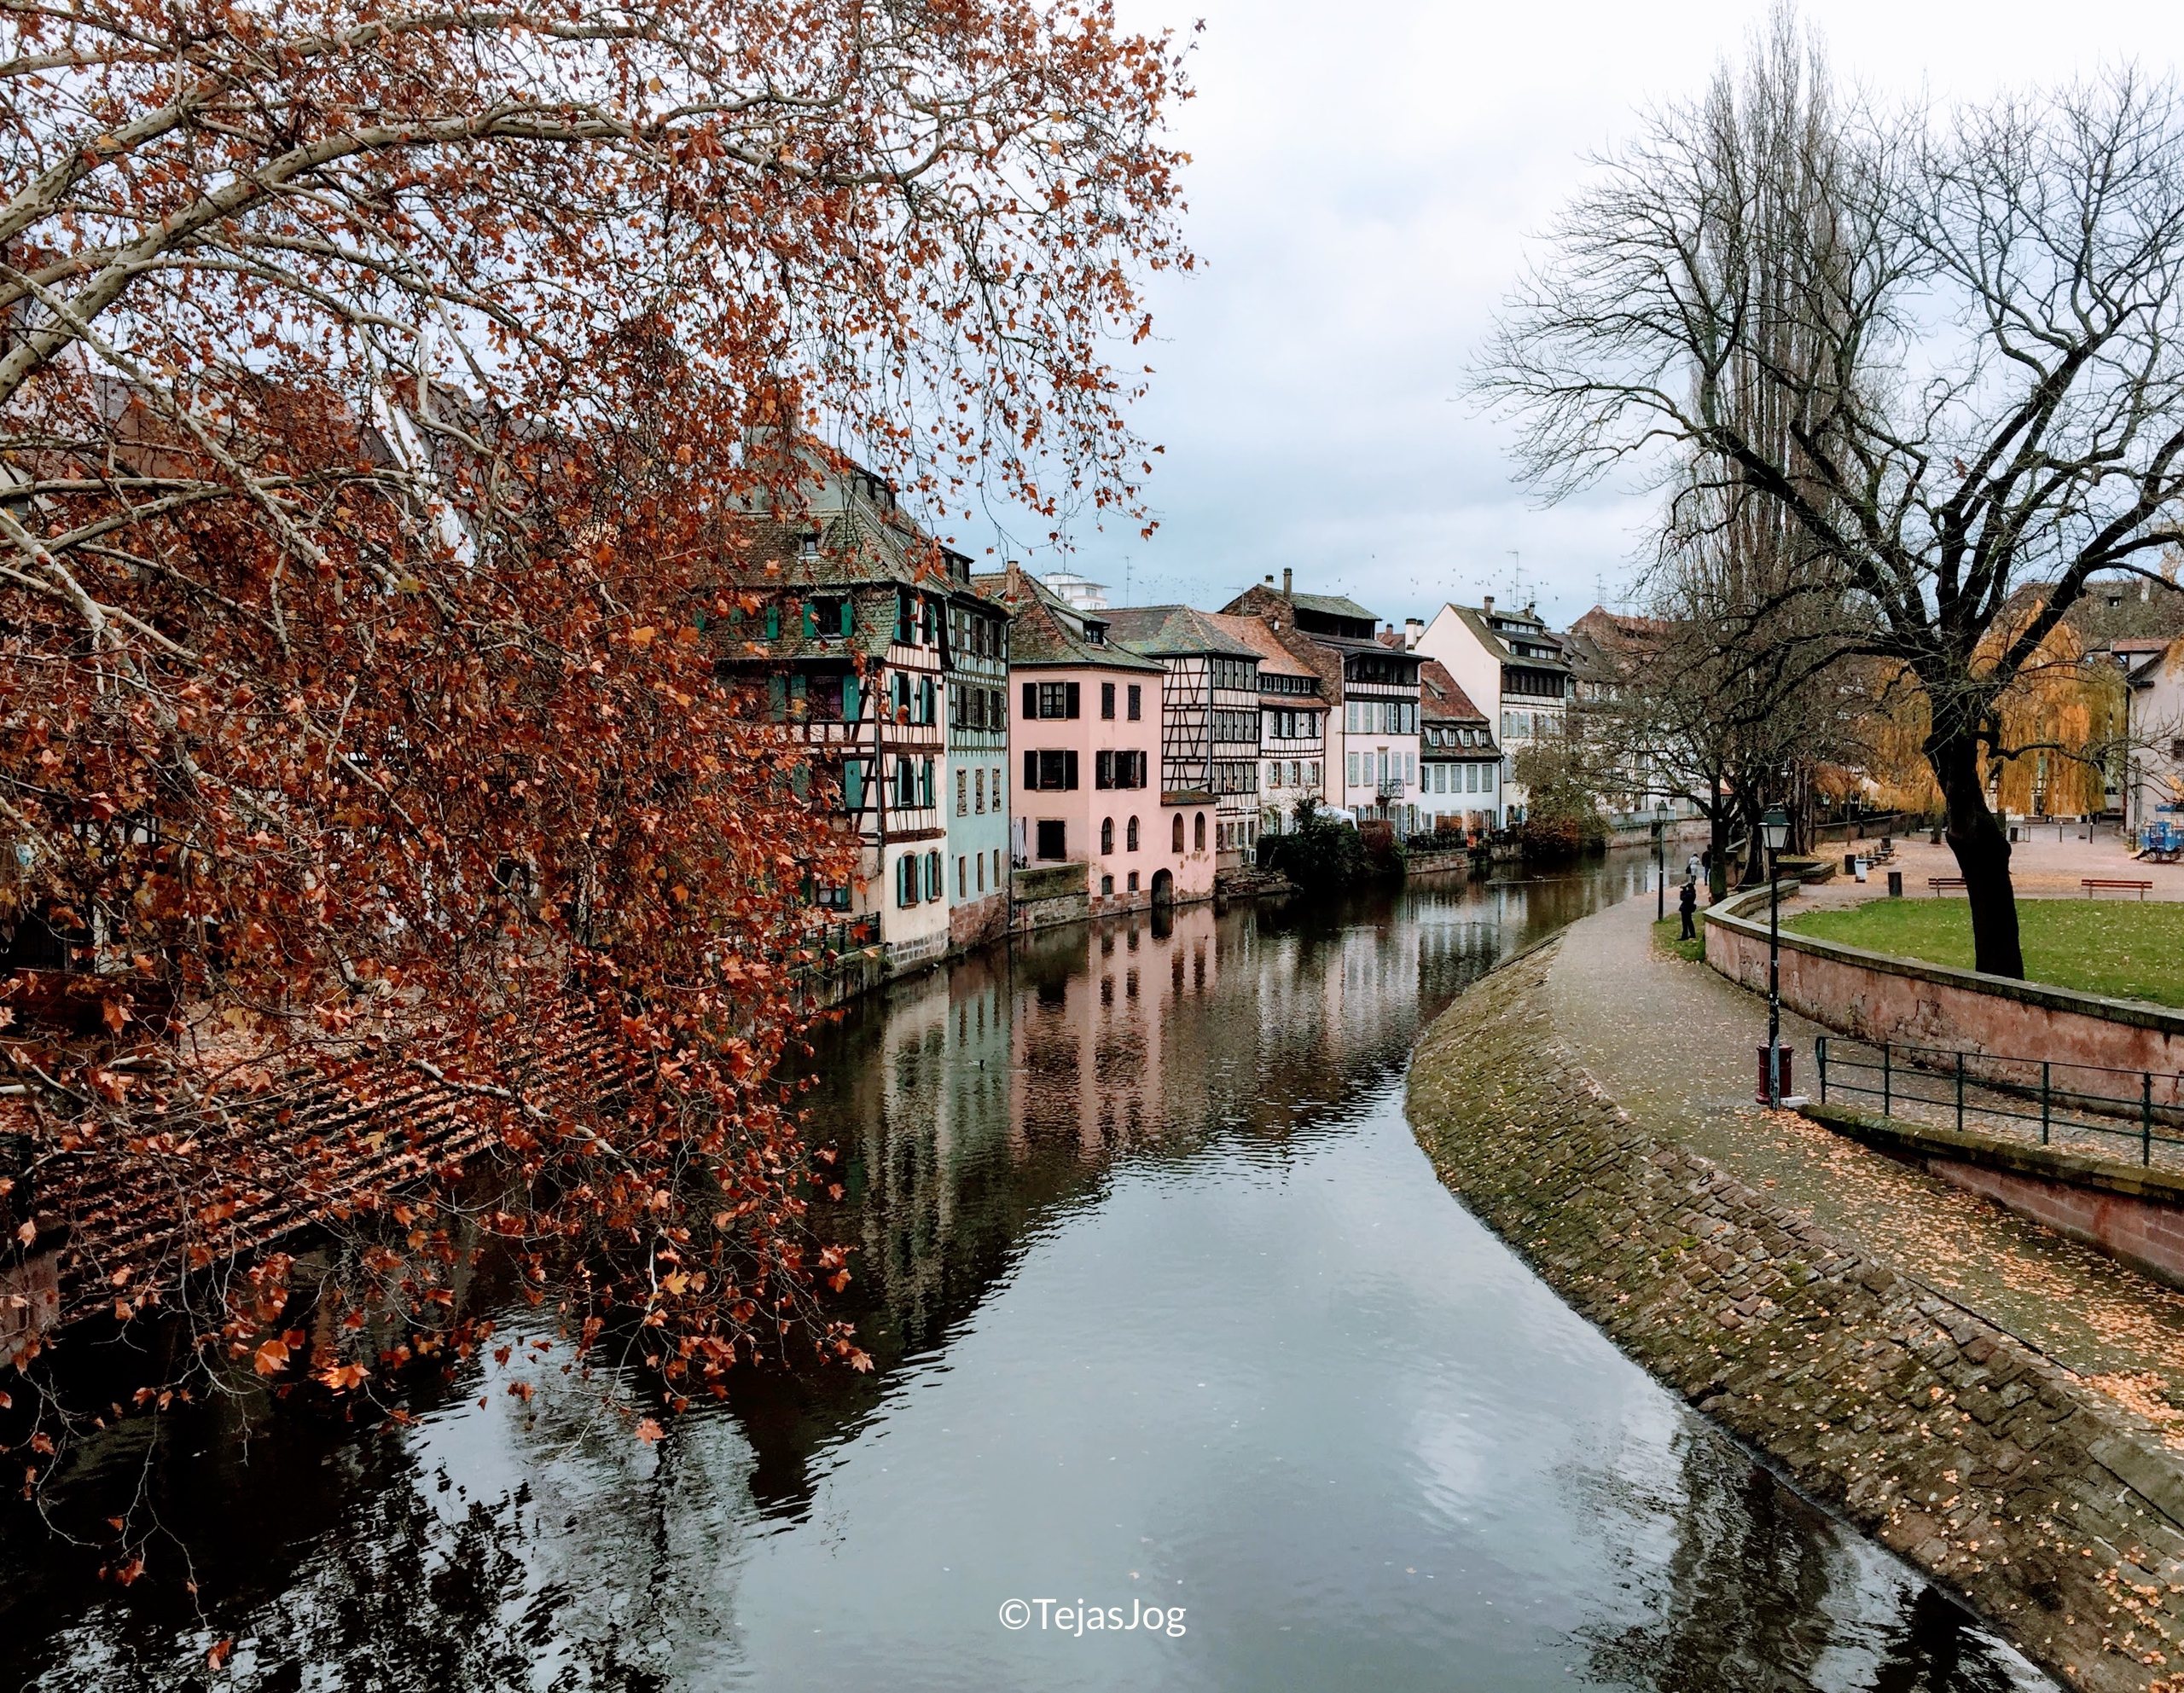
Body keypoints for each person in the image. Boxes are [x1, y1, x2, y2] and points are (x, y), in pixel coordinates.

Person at [1678, 875, 1699, 941]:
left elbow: (1682, 898)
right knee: (1689, 922)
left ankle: (1685, 935)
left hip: (1686, 909)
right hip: (1688, 909)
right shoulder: (1692, 893)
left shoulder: (1690, 894)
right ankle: (1691, 934)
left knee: (1686, 923)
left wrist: (1683, 891)